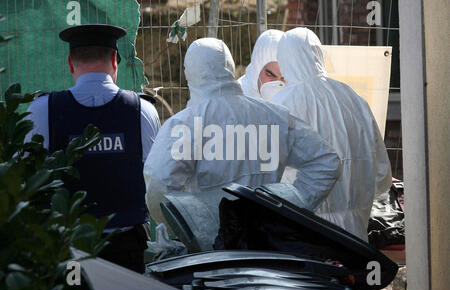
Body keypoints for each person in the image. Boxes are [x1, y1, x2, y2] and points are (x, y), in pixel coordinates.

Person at [143, 37, 342, 228]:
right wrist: (291, 207)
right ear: (229, 67)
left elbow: (159, 184)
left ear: (190, 73)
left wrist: (184, 227)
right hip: (266, 238)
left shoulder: (184, 124)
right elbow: (327, 161)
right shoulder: (274, 117)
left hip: (209, 246)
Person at [25, 24, 161, 273]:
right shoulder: (143, 110)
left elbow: (26, 180)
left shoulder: (41, 110)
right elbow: (156, 178)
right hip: (128, 249)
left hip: (69, 249)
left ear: (69, 64)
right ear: (114, 60)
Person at [271, 27, 392, 241]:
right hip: (357, 234)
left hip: (305, 233)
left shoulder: (281, 105)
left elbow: (268, 175)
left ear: (283, 59)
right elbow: (382, 176)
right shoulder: (354, 99)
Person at [237, 29, 286, 100]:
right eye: (270, 74)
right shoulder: (237, 99)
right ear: (257, 68)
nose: (277, 83)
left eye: (283, 78)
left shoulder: (294, 100)